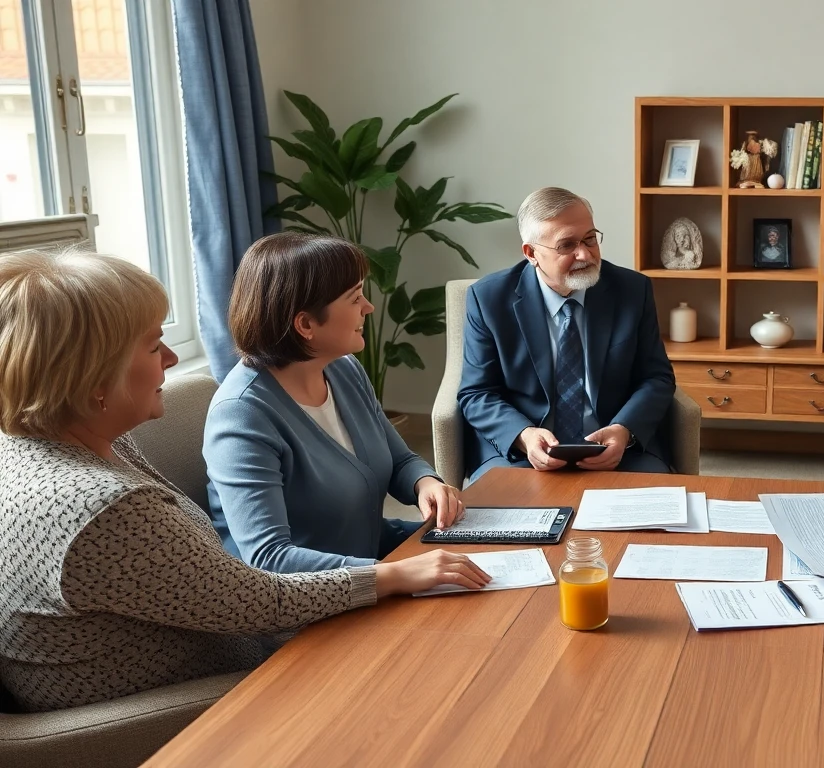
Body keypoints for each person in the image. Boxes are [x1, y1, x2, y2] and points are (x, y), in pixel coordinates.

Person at [0, 248, 488, 712]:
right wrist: (395, 575)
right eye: (153, 345)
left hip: (254, 638)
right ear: (93, 380)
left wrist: (422, 496)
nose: (171, 358)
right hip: (218, 692)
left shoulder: (77, 440)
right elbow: (260, 601)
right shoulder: (102, 509)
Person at [204, 233, 464, 574]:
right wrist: (395, 574)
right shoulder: (241, 415)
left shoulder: (343, 369)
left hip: (373, 567)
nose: (368, 308)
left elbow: (400, 461)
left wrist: (425, 483)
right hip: (307, 609)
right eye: (355, 298)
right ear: (306, 324)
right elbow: (269, 558)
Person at [458, 186, 676, 483]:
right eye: (567, 245)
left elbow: (656, 377)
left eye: (590, 238)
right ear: (531, 253)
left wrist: (625, 430)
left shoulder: (632, 290)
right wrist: (524, 436)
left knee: (657, 519)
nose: (585, 254)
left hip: (617, 450)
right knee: (499, 522)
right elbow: (477, 393)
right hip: (523, 456)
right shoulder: (489, 299)